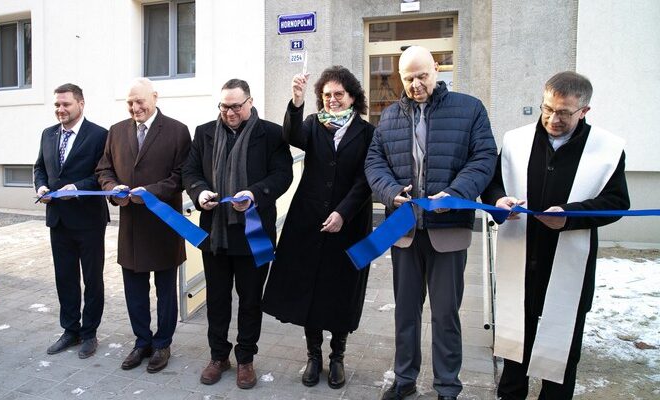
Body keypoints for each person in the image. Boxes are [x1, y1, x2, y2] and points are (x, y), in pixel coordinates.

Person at [481, 71, 629, 399]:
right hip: (521, 258)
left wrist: (570, 217)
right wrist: (498, 202)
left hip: (566, 264)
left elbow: (617, 202)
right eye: (547, 109)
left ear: (584, 111)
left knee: (561, 353)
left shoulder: (606, 149)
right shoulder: (516, 141)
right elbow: (492, 184)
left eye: (564, 112)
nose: (552, 118)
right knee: (514, 345)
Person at [365, 46, 497, 400]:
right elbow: (374, 163)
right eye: (408, 78)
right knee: (405, 314)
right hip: (404, 231)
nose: (415, 84)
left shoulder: (469, 109)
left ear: (436, 69)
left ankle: (447, 387)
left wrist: (454, 193)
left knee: (446, 316)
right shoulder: (390, 116)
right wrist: (390, 191)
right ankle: (404, 380)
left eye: (421, 75)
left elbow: (484, 158)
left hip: (448, 230)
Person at [263, 66, 375, 389]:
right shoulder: (313, 124)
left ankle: (337, 356)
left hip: (350, 223)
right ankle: (313, 355)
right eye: (327, 95)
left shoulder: (366, 133)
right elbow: (291, 136)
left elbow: (365, 179)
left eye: (339, 94)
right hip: (309, 220)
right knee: (309, 288)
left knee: (342, 288)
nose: (333, 100)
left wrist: (343, 212)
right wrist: (296, 102)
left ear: (353, 96)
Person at [182, 79, 292, 389]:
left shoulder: (270, 134)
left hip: (254, 232)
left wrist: (255, 194)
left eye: (235, 106)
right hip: (216, 234)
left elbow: (283, 174)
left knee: (250, 300)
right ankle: (218, 356)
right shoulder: (204, 132)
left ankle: (246, 358)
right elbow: (190, 171)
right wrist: (200, 192)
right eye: (224, 106)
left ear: (250, 102)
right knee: (216, 299)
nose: (229, 112)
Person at [96, 78, 191, 373]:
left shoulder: (177, 131)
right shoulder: (116, 131)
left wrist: (151, 192)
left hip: (164, 224)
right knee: (134, 291)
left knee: (165, 291)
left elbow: (182, 175)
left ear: (155, 97)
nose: (135, 107)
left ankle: (162, 344)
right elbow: (103, 169)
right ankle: (141, 342)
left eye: (140, 101)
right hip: (131, 226)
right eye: (130, 103)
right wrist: (112, 187)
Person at [33, 83, 109, 359]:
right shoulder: (48, 134)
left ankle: (89, 333)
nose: (60, 109)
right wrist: (41, 187)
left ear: (81, 104)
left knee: (92, 279)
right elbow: (40, 167)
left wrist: (77, 187)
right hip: (58, 220)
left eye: (66, 104)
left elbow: (103, 174)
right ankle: (70, 330)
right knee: (64, 278)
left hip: (88, 220)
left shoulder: (100, 135)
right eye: (56, 105)